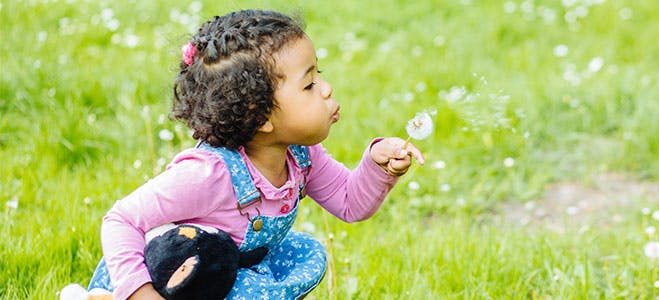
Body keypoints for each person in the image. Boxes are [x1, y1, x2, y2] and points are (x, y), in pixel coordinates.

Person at [85, 9, 424, 299]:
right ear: (260, 116)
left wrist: (379, 166)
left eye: (317, 75)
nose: (326, 88)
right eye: (308, 85)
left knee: (301, 255)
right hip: (176, 281)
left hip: (232, 276)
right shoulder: (207, 175)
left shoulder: (302, 156)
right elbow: (121, 220)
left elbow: (350, 203)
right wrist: (141, 293)